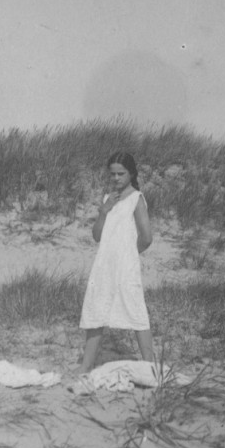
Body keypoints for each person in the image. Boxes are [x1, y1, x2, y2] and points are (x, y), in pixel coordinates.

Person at [79, 152, 155, 372]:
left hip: (126, 266)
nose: (116, 178)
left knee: (135, 310)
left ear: (131, 173)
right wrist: (103, 211)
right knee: (96, 309)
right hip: (104, 265)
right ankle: (85, 367)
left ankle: (149, 365)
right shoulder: (107, 199)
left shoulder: (136, 199)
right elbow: (97, 236)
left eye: (121, 174)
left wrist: (130, 255)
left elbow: (147, 237)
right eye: (112, 174)